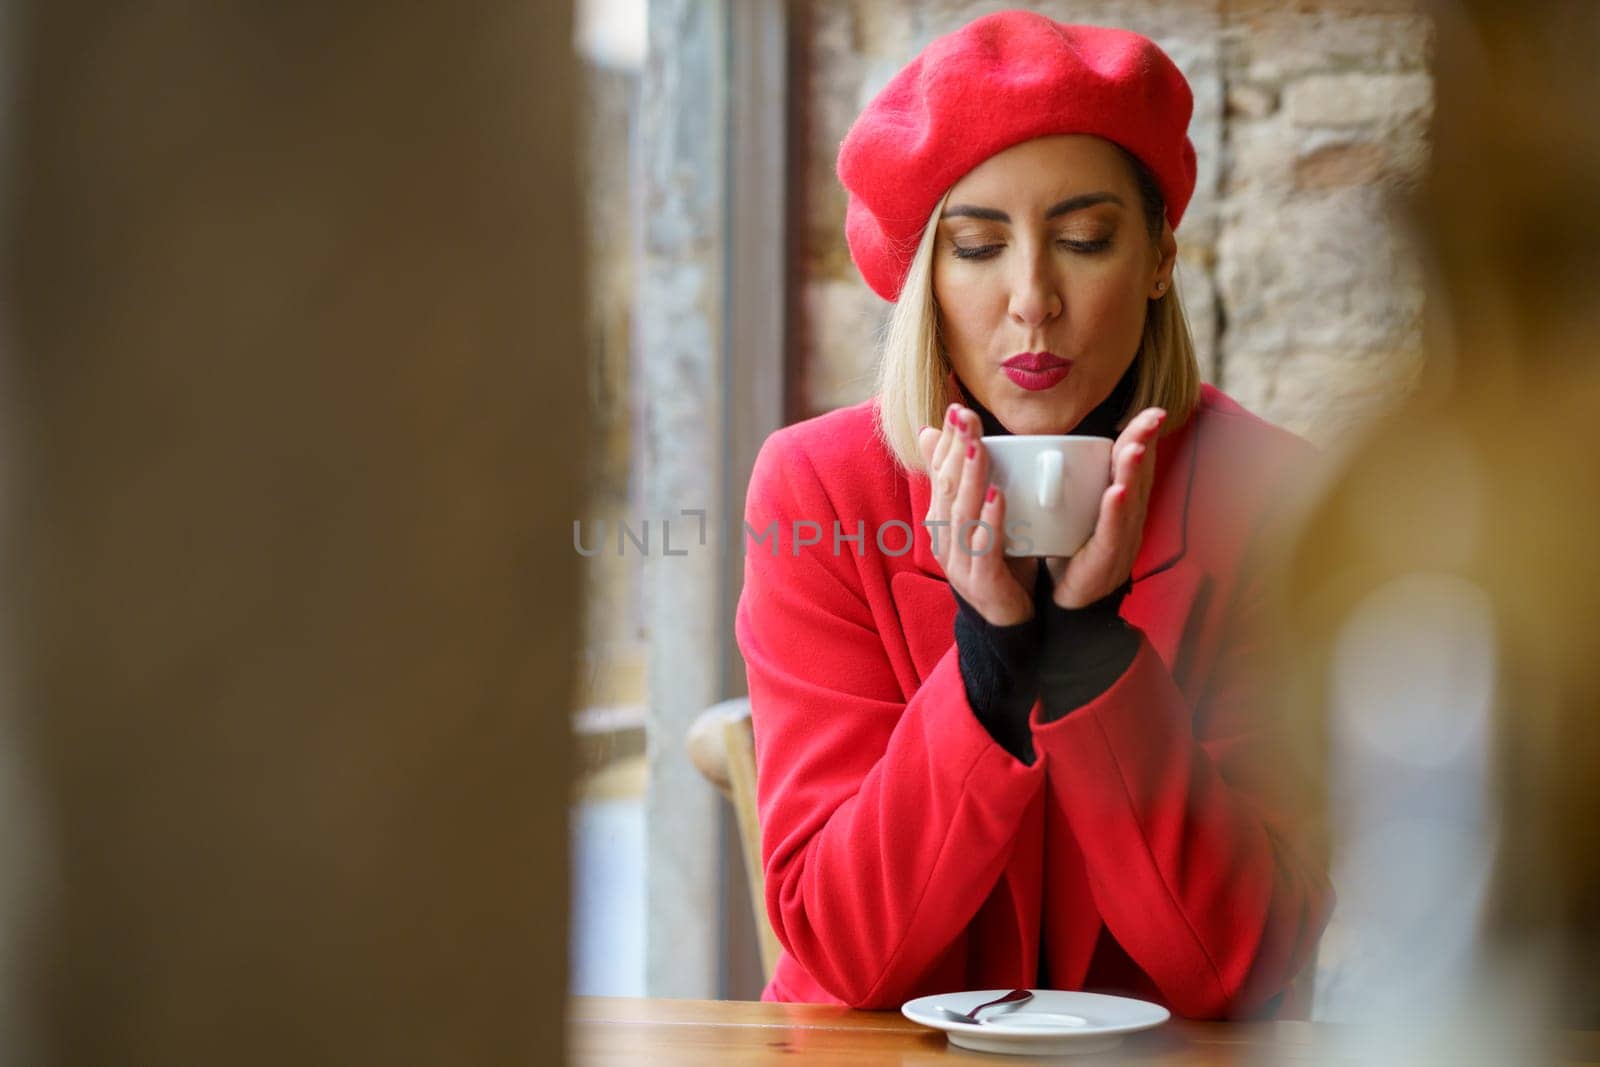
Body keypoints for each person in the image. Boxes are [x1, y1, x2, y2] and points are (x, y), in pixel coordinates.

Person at [735, 11, 1333, 1018]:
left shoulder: (1271, 499)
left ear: (1156, 259)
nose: (1031, 299)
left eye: (1083, 239)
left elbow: (1240, 964)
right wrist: (988, 658)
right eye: (976, 247)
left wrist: (1093, 652)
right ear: (924, 273)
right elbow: (844, 950)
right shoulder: (819, 488)